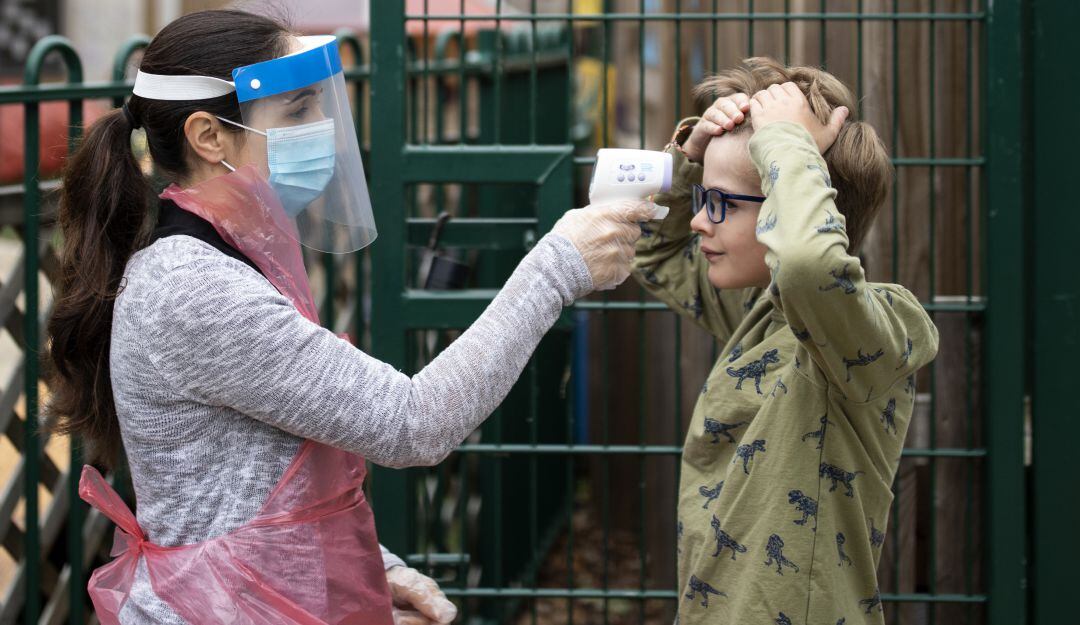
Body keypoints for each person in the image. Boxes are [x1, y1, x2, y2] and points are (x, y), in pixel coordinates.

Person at [44, 10, 654, 625]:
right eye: (298, 111)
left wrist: (375, 567)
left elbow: (250, 477)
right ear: (210, 136)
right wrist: (555, 270)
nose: (325, 129)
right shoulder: (193, 288)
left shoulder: (225, 256)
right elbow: (413, 423)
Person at [632, 57, 939, 624]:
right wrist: (692, 155)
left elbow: (805, 262)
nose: (700, 220)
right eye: (702, 197)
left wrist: (785, 143)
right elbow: (648, 252)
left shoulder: (873, 330)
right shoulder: (761, 309)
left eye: (720, 202)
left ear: (790, 204)